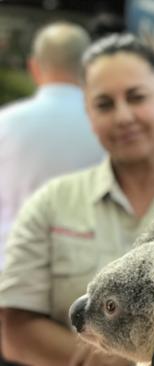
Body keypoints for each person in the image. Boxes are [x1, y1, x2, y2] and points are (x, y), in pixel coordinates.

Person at [0, 34, 154, 366]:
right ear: (89, 116)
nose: (123, 116)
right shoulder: (51, 203)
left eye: (136, 98)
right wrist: (105, 360)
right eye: (105, 104)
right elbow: (13, 329)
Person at [0, 22, 104, 271]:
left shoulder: (5, 123)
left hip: (11, 266)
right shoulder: (107, 127)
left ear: (33, 66)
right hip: (87, 271)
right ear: (89, 67)